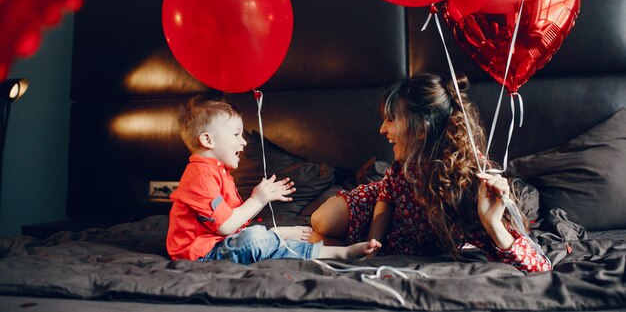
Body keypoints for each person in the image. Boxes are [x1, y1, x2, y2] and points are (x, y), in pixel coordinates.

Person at [310, 73, 551, 273]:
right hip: (385, 212)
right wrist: (375, 245)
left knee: (315, 242)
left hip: (415, 237)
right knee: (320, 221)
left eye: (391, 120)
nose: (382, 129)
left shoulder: (470, 184)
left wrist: (492, 224)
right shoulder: (404, 160)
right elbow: (387, 196)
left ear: (422, 130)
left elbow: (540, 268)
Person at [166, 95, 381, 264]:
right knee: (254, 240)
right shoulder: (200, 176)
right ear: (207, 139)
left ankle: (340, 253)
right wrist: (258, 200)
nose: (243, 142)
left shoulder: (218, 173)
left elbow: (233, 228)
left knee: (257, 239)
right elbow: (226, 227)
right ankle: (279, 235)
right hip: (201, 254)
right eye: (235, 135)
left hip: (221, 243)